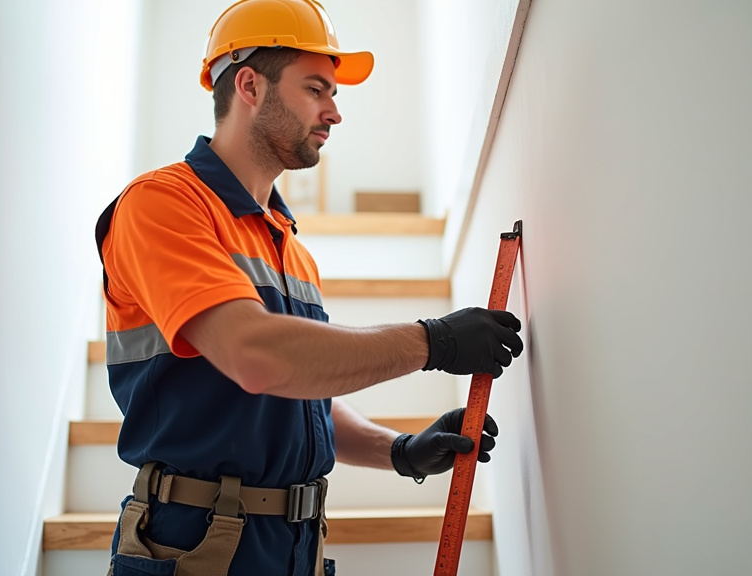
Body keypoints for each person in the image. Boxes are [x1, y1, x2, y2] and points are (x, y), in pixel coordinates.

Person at [93, 0, 524, 575]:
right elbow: (257, 357)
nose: (334, 112)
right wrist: (433, 341)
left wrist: (398, 450)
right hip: (193, 545)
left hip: (297, 545)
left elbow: (297, 391)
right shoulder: (162, 204)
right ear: (250, 85)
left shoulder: (289, 246)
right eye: (316, 89)